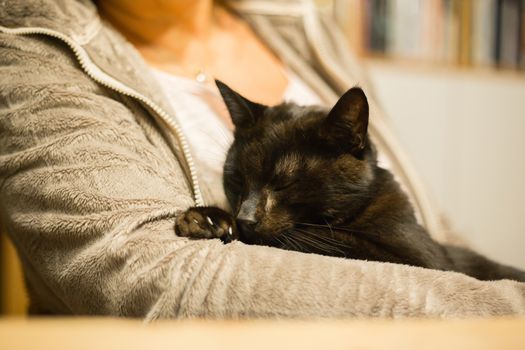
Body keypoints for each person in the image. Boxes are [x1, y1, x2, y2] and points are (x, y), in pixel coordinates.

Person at [0, 0, 523, 319]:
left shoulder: (304, 26)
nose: (250, 214)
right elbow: (144, 277)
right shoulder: (32, 49)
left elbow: (432, 227)